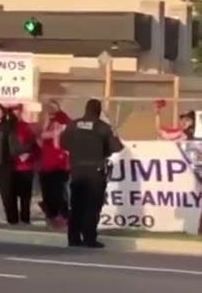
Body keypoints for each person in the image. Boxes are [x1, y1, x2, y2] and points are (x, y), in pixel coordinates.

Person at [60, 99, 123, 249]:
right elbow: (117, 147)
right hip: (95, 171)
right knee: (92, 206)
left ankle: (73, 238)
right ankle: (89, 238)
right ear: (99, 110)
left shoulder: (73, 125)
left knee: (76, 206)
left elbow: (63, 144)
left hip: (76, 170)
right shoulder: (103, 127)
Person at [38, 99, 72, 228]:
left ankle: (63, 216)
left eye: (52, 107)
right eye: (48, 107)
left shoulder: (62, 119)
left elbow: (56, 141)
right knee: (48, 191)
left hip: (59, 164)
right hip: (46, 163)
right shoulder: (48, 121)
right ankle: (52, 216)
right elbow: (42, 136)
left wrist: (54, 133)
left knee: (58, 191)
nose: (49, 110)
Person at [7, 105, 39, 225]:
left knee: (25, 196)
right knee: (12, 195)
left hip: (26, 167)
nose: (16, 114)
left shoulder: (28, 127)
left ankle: (25, 218)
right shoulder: (8, 128)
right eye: (13, 111)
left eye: (18, 111)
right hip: (12, 166)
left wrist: (28, 154)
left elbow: (34, 146)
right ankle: (14, 219)